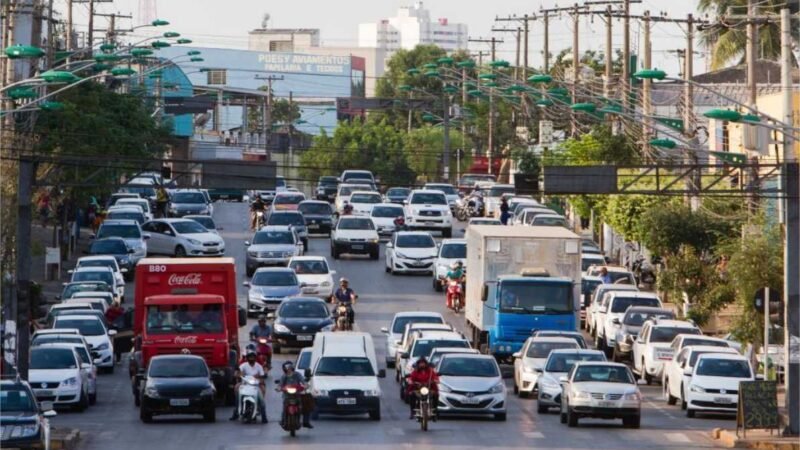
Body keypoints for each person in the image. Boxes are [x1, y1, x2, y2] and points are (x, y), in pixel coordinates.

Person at [230, 350, 268, 423]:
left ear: (255, 358)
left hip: (256, 385)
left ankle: (264, 416)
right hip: (245, 384)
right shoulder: (243, 365)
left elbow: (262, 376)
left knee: (262, 398)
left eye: (253, 357)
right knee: (237, 387)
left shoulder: (259, 366)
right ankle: (236, 411)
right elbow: (237, 373)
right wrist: (239, 374)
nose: (251, 359)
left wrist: (260, 378)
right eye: (250, 357)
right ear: (247, 358)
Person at [277, 361, 313, 428]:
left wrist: (305, 385)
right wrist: (279, 388)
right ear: (284, 369)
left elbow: (303, 381)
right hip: (287, 395)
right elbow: (280, 384)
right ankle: (283, 420)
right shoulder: (284, 376)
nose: (289, 369)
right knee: (284, 407)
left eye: (290, 368)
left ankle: (305, 422)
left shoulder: (297, 374)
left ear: (292, 368)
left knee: (304, 406)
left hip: (297, 395)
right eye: (287, 368)